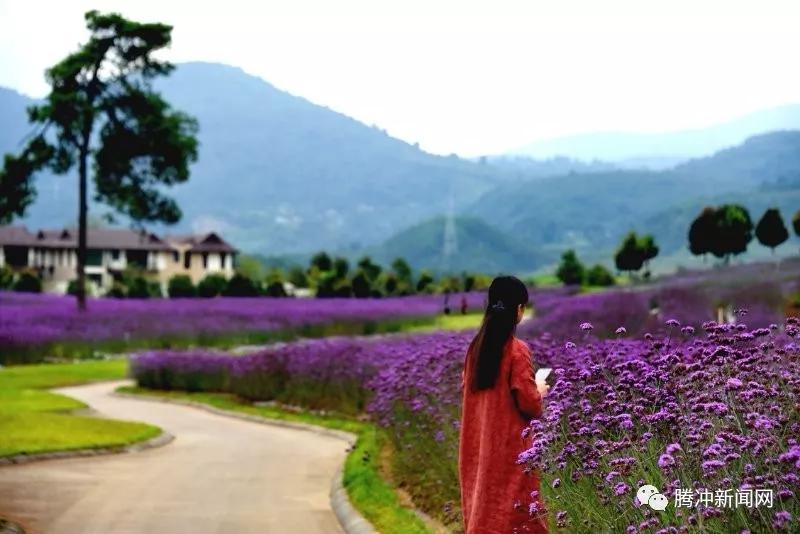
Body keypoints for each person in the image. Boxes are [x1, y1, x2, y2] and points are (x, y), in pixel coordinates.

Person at [459, 275, 548, 534]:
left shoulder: (475, 349)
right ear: (518, 310)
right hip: (509, 454)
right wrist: (540, 390)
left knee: (484, 512)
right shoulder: (516, 351)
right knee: (517, 518)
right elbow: (531, 405)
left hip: (477, 449)